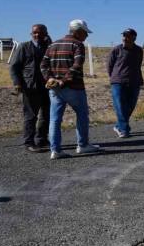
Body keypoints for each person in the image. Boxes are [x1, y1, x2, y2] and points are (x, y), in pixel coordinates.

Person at [41, 19, 101, 159]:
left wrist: (50, 79)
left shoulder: (53, 44)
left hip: (55, 89)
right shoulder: (77, 44)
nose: (87, 35)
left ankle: (55, 150)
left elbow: (43, 65)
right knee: (81, 116)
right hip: (74, 88)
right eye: (85, 32)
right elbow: (77, 66)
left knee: (55, 119)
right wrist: (63, 81)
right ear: (78, 31)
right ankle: (83, 145)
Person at [9, 24, 51, 153]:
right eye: (34, 33)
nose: (37, 35)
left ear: (46, 34)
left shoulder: (48, 47)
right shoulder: (24, 47)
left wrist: (50, 43)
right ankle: (29, 142)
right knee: (31, 116)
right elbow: (14, 66)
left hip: (47, 86)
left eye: (40, 32)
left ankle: (42, 138)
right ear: (31, 34)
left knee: (46, 114)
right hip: (30, 86)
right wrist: (17, 83)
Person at [106, 28, 144, 138]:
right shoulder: (116, 50)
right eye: (124, 35)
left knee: (130, 106)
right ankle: (124, 129)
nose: (124, 38)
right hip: (118, 82)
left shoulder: (139, 50)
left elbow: (138, 64)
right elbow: (109, 65)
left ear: (134, 38)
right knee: (120, 106)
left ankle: (119, 125)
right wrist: (114, 76)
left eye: (127, 36)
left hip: (134, 81)